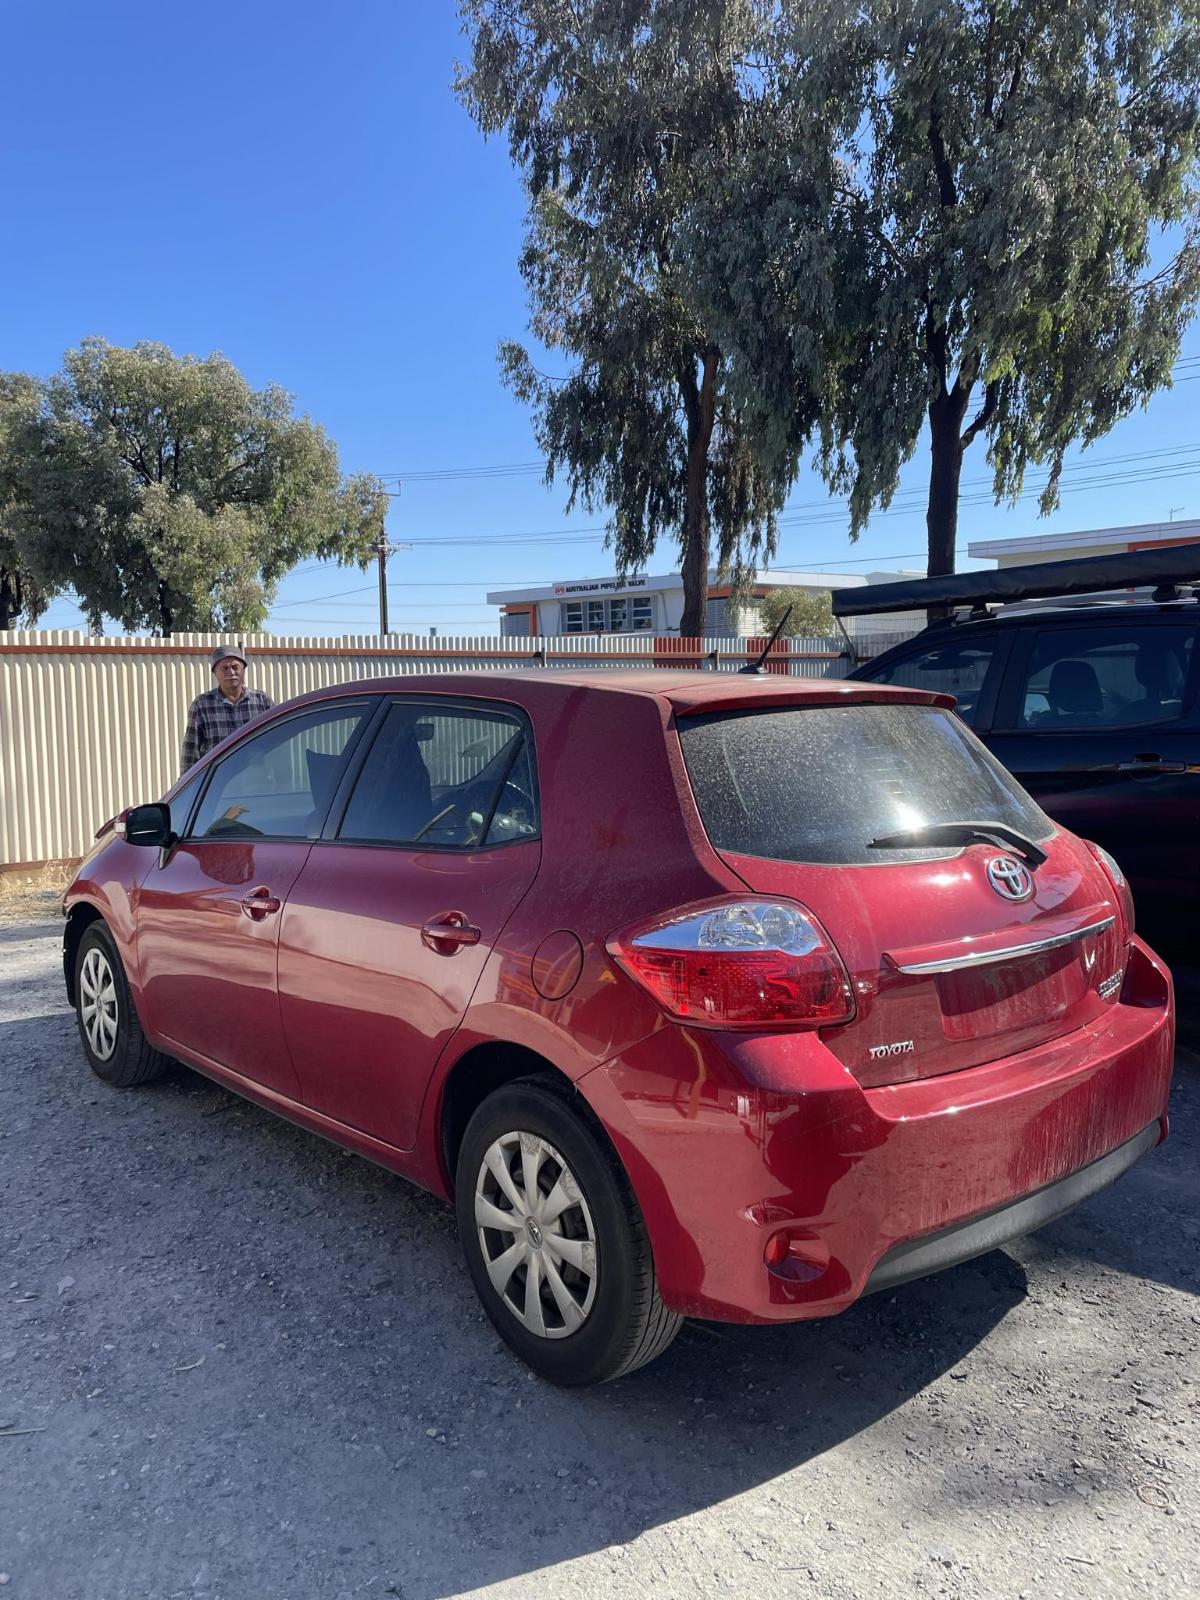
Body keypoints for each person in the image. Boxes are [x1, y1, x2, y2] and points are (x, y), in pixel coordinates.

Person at [180, 645, 274, 773]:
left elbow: (275, 743)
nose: (231, 672)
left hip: (256, 780)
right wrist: (187, 787)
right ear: (215, 672)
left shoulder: (262, 701)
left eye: (235, 667)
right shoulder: (202, 705)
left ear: (244, 670)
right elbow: (190, 752)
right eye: (225, 668)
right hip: (218, 782)